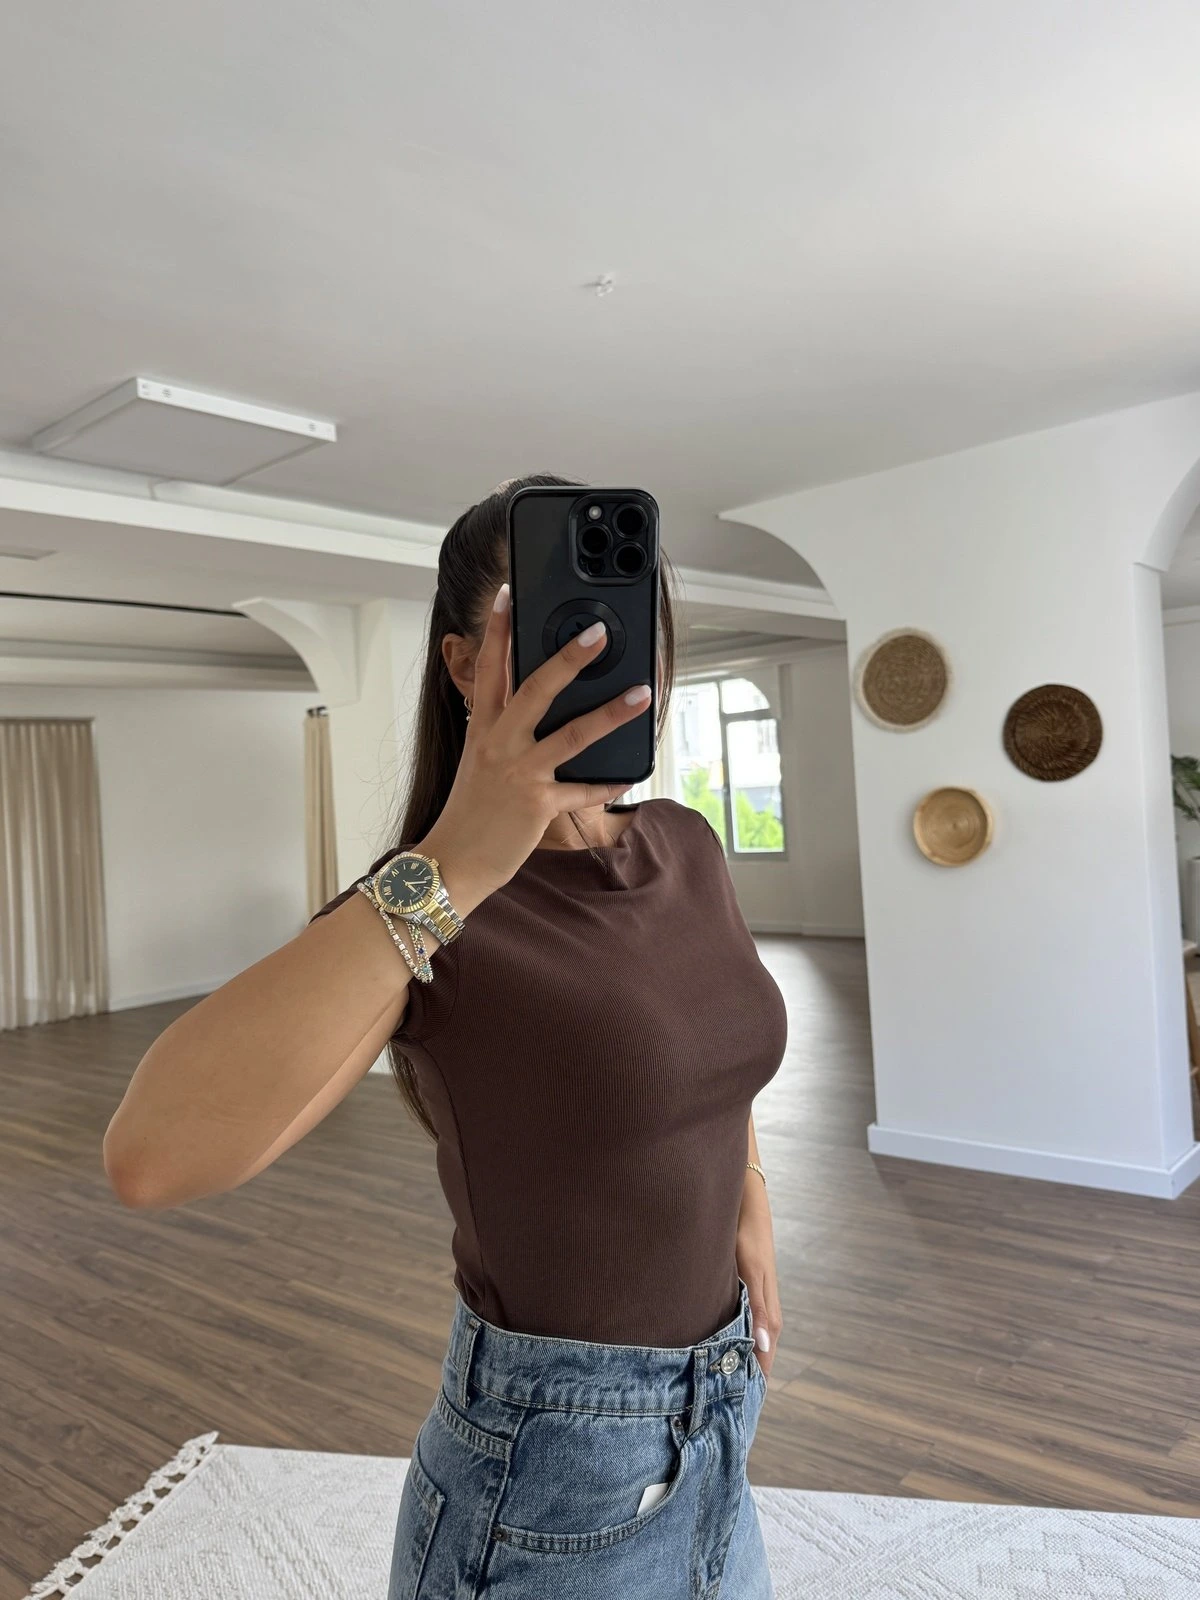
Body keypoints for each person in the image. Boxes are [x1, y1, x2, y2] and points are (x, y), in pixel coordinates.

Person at [102, 474, 788, 1599]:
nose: (603, 658)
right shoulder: (427, 905)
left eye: (630, 628)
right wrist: (461, 859)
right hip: (552, 1472)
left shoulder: (688, 843)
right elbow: (152, 1156)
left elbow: (717, 1048)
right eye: (558, 631)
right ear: (466, 665)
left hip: (720, 1419)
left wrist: (746, 1190)